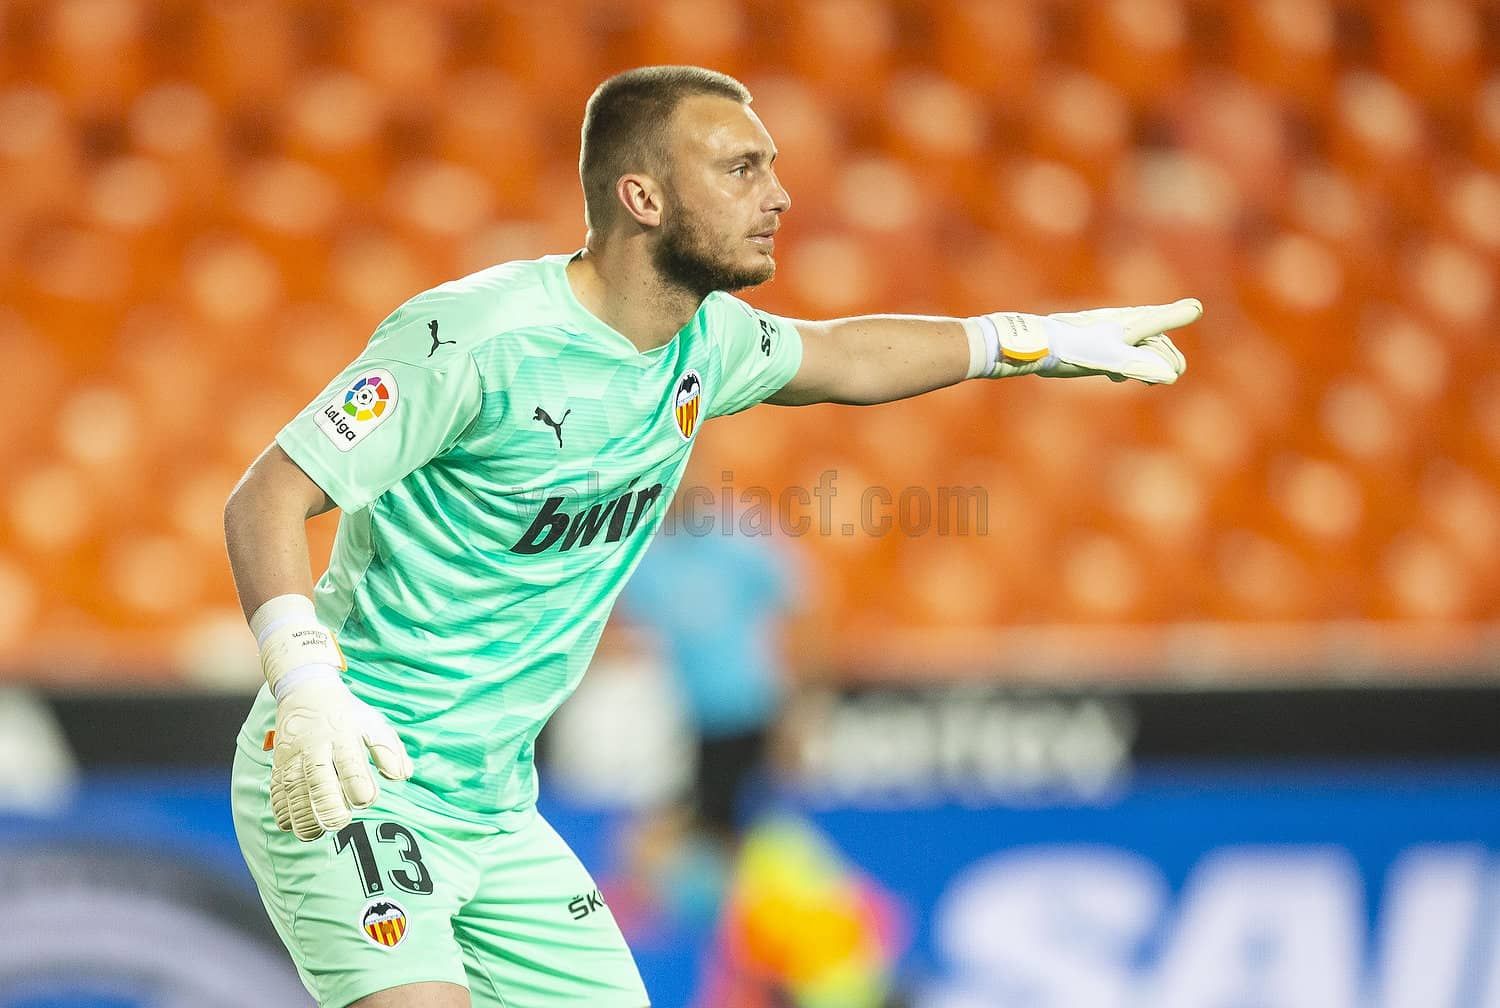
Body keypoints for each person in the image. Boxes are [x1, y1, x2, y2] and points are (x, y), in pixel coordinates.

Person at [223, 65, 1200, 1008]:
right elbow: (265, 497)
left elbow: (845, 354)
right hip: (352, 774)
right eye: (741, 169)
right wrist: (305, 681)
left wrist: (1030, 339)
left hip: (495, 807)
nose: (777, 195)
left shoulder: (708, 342)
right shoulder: (472, 341)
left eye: (771, 166)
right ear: (644, 197)